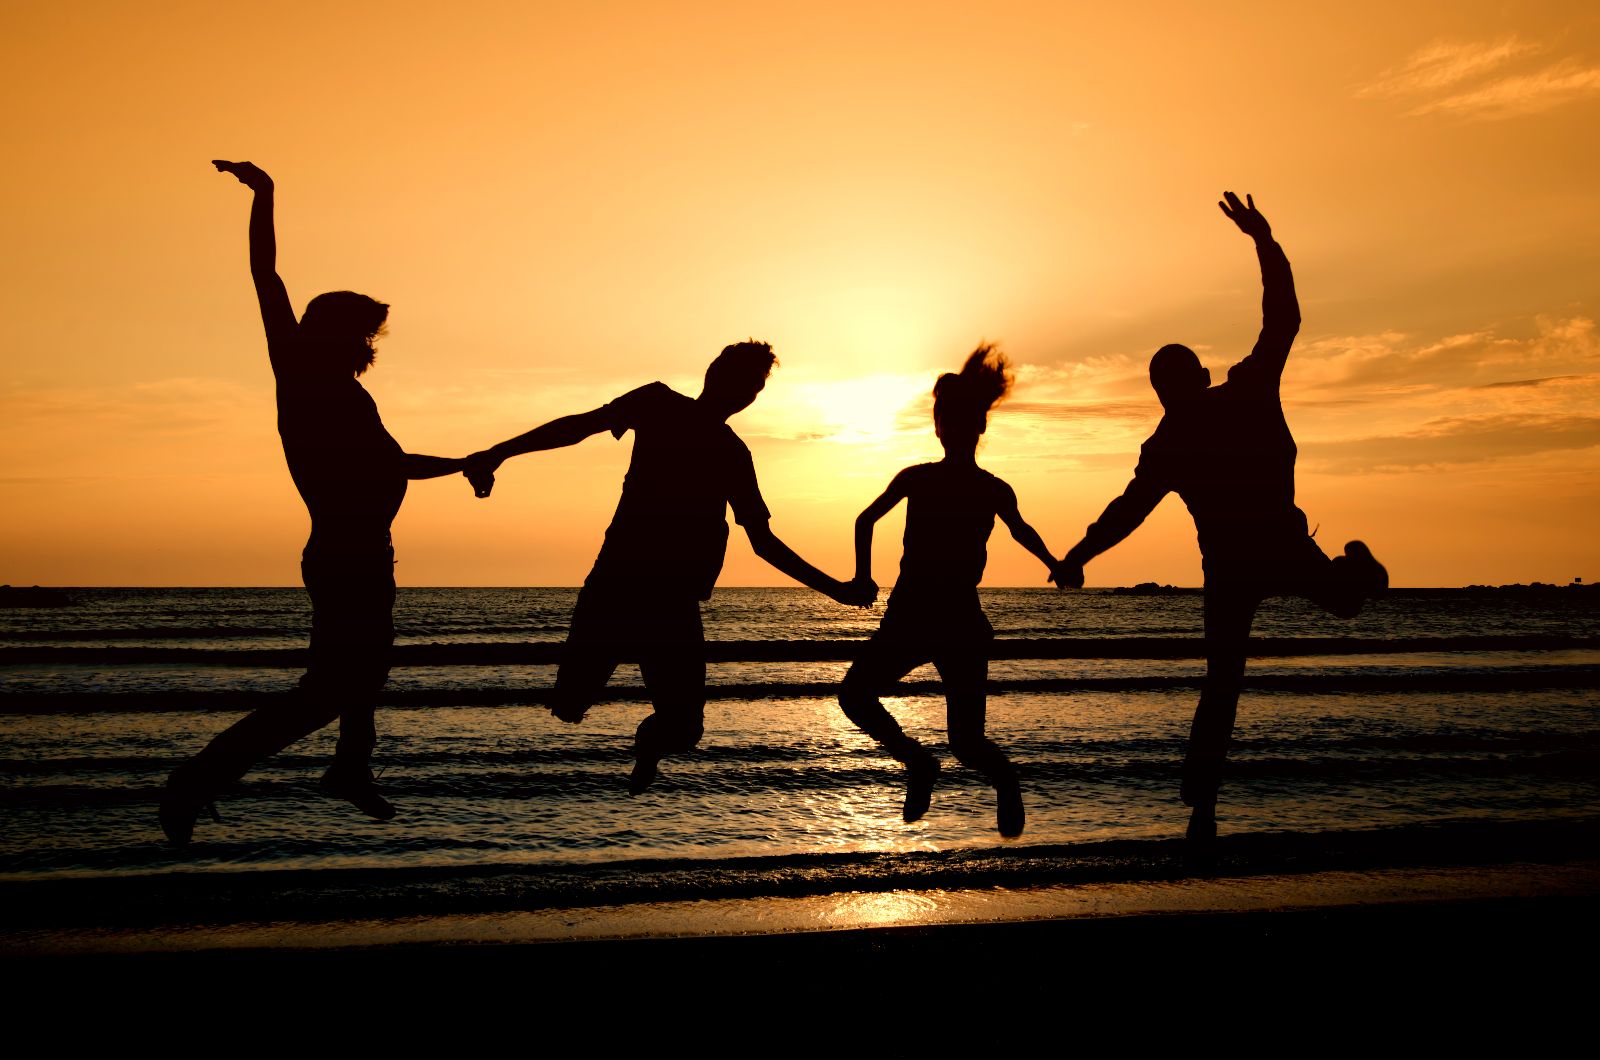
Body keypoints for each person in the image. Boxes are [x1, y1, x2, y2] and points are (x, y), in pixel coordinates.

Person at [1055, 192, 1388, 846]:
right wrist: (1262, 239)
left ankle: (1201, 804)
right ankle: (1201, 802)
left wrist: (1078, 556)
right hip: (1245, 563)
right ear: (1191, 380)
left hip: (1266, 553)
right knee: (1229, 676)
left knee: (1233, 675)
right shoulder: (1190, 427)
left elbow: (1282, 319)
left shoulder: (1219, 408)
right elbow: (1128, 509)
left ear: (1179, 385)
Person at [158, 161, 469, 846]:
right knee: (328, 689)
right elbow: (265, 278)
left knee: (362, 674)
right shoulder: (300, 373)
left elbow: (396, 466)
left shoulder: (348, 396)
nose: (369, 345)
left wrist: (465, 464)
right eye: (364, 332)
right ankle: (201, 778)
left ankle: (348, 768)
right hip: (343, 552)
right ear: (335, 331)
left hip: (367, 553)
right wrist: (265, 195)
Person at [464, 342, 869, 793]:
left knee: (684, 729)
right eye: (741, 379)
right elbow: (579, 427)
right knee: (568, 706)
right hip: (616, 585)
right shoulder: (656, 402)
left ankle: (648, 750)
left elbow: (764, 543)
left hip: (673, 601)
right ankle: (602, 708)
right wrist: (499, 451)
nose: (745, 392)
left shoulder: (732, 453)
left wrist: (837, 590)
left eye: (754, 385)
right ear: (713, 373)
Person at [840, 345, 1067, 838]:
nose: (954, 428)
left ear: (967, 428)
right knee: (862, 697)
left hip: (951, 619)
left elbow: (1021, 530)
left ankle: (989, 777)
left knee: (958, 738)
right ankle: (922, 764)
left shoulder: (985, 487)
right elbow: (865, 519)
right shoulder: (926, 479)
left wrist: (1054, 562)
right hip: (919, 616)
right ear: (943, 428)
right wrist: (862, 577)